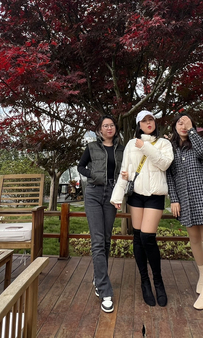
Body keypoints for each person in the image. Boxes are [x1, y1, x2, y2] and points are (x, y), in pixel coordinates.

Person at [110, 110, 174, 307]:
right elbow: (125, 171)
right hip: (136, 196)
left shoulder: (164, 143)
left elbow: (164, 164)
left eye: (151, 120)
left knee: (148, 237)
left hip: (155, 196)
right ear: (138, 124)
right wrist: (117, 195)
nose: (148, 123)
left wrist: (145, 146)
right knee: (137, 237)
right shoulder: (131, 144)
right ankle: (144, 281)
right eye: (144, 121)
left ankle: (158, 281)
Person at [166, 113, 203, 309]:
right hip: (185, 201)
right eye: (180, 123)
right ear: (174, 126)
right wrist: (174, 199)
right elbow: (170, 176)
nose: (183, 126)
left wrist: (192, 131)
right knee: (194, 239)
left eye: (187, 123)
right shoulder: (171, 148)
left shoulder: (197, 143)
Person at [77, 115, 124, 313]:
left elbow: (126, 169)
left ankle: (98, 278)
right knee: (97, 240)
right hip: (94, 193)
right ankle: (105, 290)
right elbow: (81, 167)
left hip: (112, 194)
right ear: (99, 130)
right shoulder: (91, 147)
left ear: (115, 128)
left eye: (111, 125)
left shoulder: (122, 149)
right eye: (105, 126)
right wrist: (93, 175)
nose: (109, 128)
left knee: (105, 240)